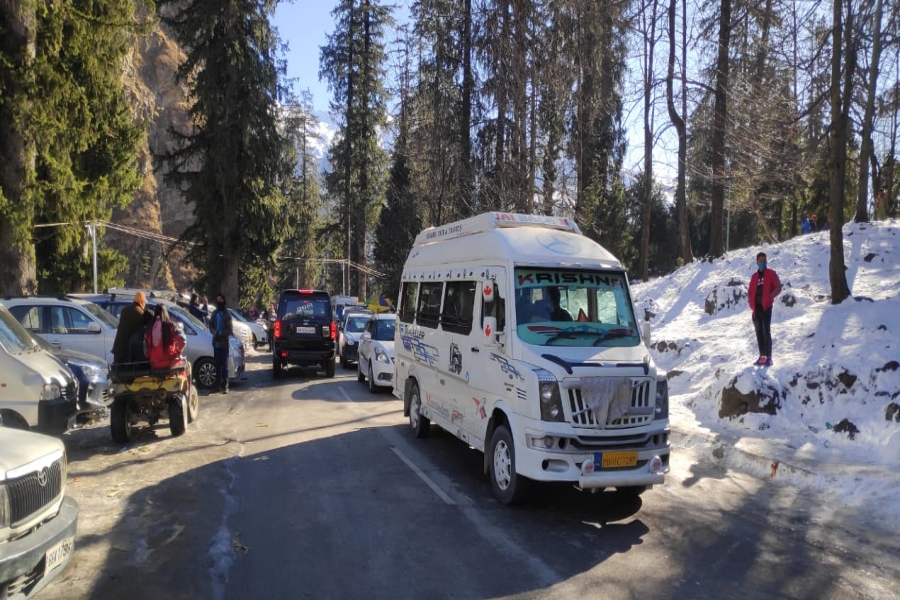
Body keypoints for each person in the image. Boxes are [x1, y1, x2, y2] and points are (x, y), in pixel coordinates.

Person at [748, 252, 782, 366]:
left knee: (766, 331)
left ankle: (769, 357)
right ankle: (762, 356)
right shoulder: (754, 277)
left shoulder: (771, 274)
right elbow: (750, 292)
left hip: (766, 307)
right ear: (757, 262)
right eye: (761, 261)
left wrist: (769, 297)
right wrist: (751, 305)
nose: (763, 263)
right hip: (756, 309)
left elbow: (778, 287)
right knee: (759, 332)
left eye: (764, 260)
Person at [144, 305, 186, 370]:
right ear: (166, 313)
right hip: (170, 362)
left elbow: (146, 349)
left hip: (155, 364)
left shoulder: (150, 327)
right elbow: (182, 340)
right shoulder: (171, 326)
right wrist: (178, 352)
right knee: (187, 366)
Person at [112, 291, 147, 364]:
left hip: (118, 348)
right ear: (142, 300)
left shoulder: (125, 310)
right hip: (129, 351)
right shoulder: (140, 313)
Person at [209, 293, 233, 394]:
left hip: (224, 343)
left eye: (220, 300)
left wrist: (221, 334)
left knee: (225, 366)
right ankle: (217, 385)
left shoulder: (227, 314)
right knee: (217, 365)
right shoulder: (214, 313)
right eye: (217, 300)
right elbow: (210, 325)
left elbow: (229, 330)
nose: (218, 302)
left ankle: (225, 385)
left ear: (223, 300)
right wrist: (214, 332)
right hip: (216, 344)